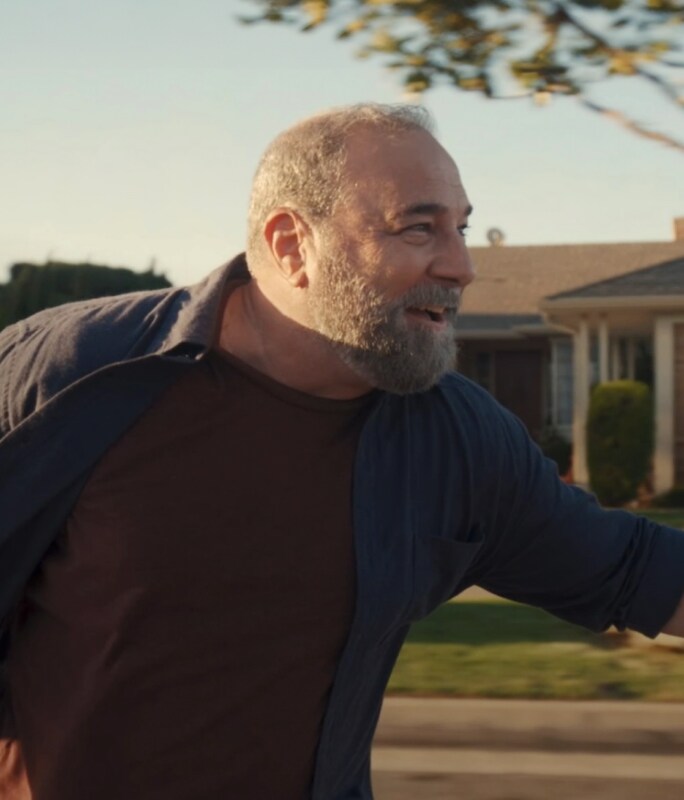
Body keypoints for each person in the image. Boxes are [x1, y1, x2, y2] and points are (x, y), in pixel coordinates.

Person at [1, 103, 684, 800]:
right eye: (419, 227)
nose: (462, 266)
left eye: (461, 227)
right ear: (293, 244)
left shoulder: (455, 440)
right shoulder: (72, 373)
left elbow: (631, 569)